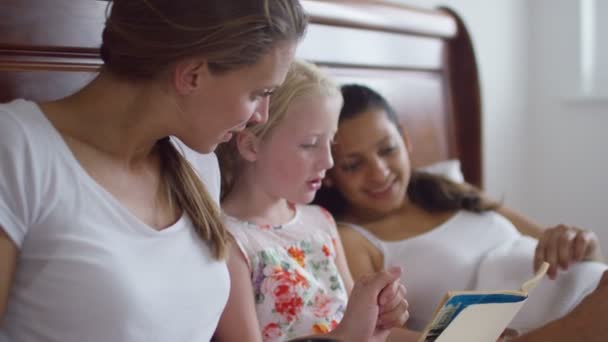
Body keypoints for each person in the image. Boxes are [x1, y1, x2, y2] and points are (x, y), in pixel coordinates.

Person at [0, 2, 408, 341]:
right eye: (258, 93)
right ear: (192, 75)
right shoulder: (18, 150)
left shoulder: (196, 165)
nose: (259, 116)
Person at [313, 84, 608, 338]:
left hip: (594, 287)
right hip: (567, 326)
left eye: (387, 149)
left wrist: (582, 245)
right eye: (353, 165)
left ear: (404, 138)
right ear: (329, 171)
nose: (378, 173)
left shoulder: (449, 191)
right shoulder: (350, 240)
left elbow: (564, 252)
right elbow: (375, 334)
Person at [214, 60, 415, 342]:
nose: (328, 161)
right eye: (310, 144)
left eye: (330, 144)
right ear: (251, 145)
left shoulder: (320, 221)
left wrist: (377, 324)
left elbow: (362, 335)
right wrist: (347, 335)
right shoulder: (231, 243)